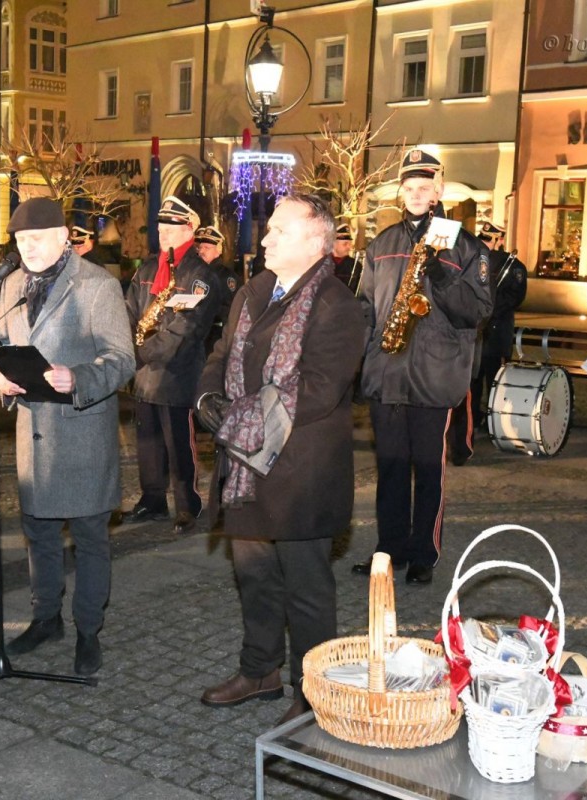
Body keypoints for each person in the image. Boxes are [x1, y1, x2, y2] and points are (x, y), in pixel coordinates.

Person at [195, 194, 364, 725]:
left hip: (300, 471)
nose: (264, 239)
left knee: (307, 588)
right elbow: (220, 356)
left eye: (278, 232)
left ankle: (314, 691)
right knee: (255, 577)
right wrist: (207, 402)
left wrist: (239, 416)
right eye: (267, 231)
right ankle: (260, 669)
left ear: (315, 242)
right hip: (246, 468)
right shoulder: (252, 292)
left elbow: (319, 388)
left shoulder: (337, 304)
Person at [0, 198, 135, 676]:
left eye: (36, 238)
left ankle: (88, 629)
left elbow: (121, 359)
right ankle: (45, 617)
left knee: (91, 539)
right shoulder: (9, 285)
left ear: (63, 237)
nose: (27, 248)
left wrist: (80, 379)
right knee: (40, 537)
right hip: (32, 437)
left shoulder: (97, 284)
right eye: (19, 241)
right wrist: (1, 382)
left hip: (82, 434)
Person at [356, 149, 493, 585]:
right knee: (391, 466)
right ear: (401, 192)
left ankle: (423, 554)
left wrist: (441, 276)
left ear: (437, 191)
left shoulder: (465, 246)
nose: (416, 194)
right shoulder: (381, 244)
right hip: (387, 371)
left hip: (435, 374)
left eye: (424, 187)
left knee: (428, 469)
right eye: (409, 187)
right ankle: (389, 549)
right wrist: (359, 362)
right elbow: (362, 308)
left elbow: (477, 310)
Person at [122, 196, 221, 535]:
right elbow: (129, 310)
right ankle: (152, 499)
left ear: (190, 229)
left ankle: (187, 505)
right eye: (161, 227)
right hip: (145, 372)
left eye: (171, 228)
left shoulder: (199, 274)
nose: (163, 233)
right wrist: (131, 349)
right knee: (147, 441)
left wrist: (144, 352)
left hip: (176, 372)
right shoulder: (148, 268)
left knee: (179, 443)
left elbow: (188, 327)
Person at [447, 220, 526, 464]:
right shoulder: (470, 260)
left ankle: (495, 423)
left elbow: (515, 296)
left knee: (495, 382)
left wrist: (491, 312)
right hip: (472, 333)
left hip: (496, 330)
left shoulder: (512, 265)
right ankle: (472, 426)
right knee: (472, 384)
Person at [195, 225, 242, 353]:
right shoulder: (196, 273)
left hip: (215, 337)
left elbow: (230, 309)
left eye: (207, 248)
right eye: (200, 247)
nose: (202, 251)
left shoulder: (226, 277)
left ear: (219, 250)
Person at [331, 222, 360, 291]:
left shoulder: (356, 266)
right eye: (345, 244)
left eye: (350, 244)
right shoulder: (321, 264)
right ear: (334, 243)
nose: (349, 247)